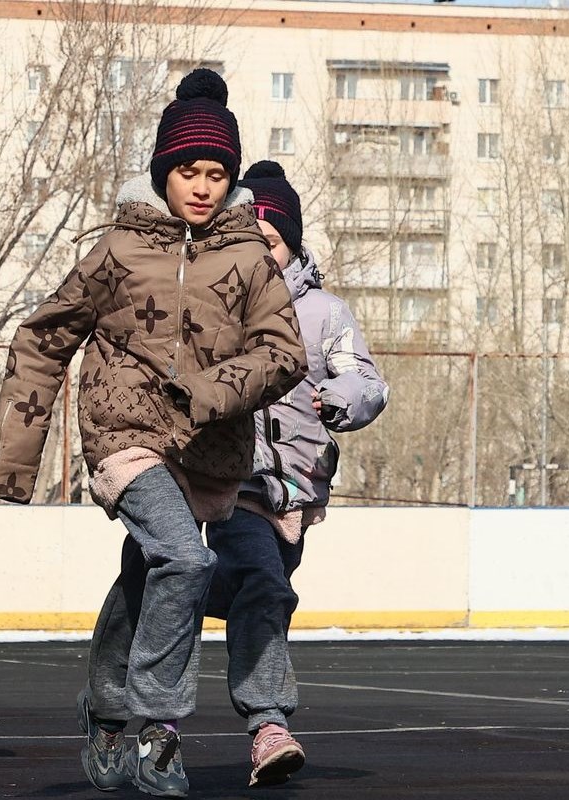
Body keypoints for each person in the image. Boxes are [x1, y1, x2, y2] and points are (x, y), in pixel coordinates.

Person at [0, 69, 307, 798]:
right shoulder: (120, 250)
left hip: (208, 450)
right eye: (189, 170)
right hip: (124, 435)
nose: (203, 186)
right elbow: (42, 337)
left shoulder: (250, 257)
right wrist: (14, 460)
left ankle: (105, 704)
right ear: (164, 171)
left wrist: (216, 389)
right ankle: (159, 727)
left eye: (217, 173)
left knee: (146, 573)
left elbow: (285, 353)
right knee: (186, 562)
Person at [205, 160, 388, 787]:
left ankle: (155, 591)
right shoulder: (219, 303)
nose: (262, 251)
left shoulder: (327, 314)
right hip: (236, 483)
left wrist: (338, 397)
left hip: (299, 488)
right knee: (264, 586)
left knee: (246, 594)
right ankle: (268, 724)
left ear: (292, 240)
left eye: (273, 240)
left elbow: (366, 381)